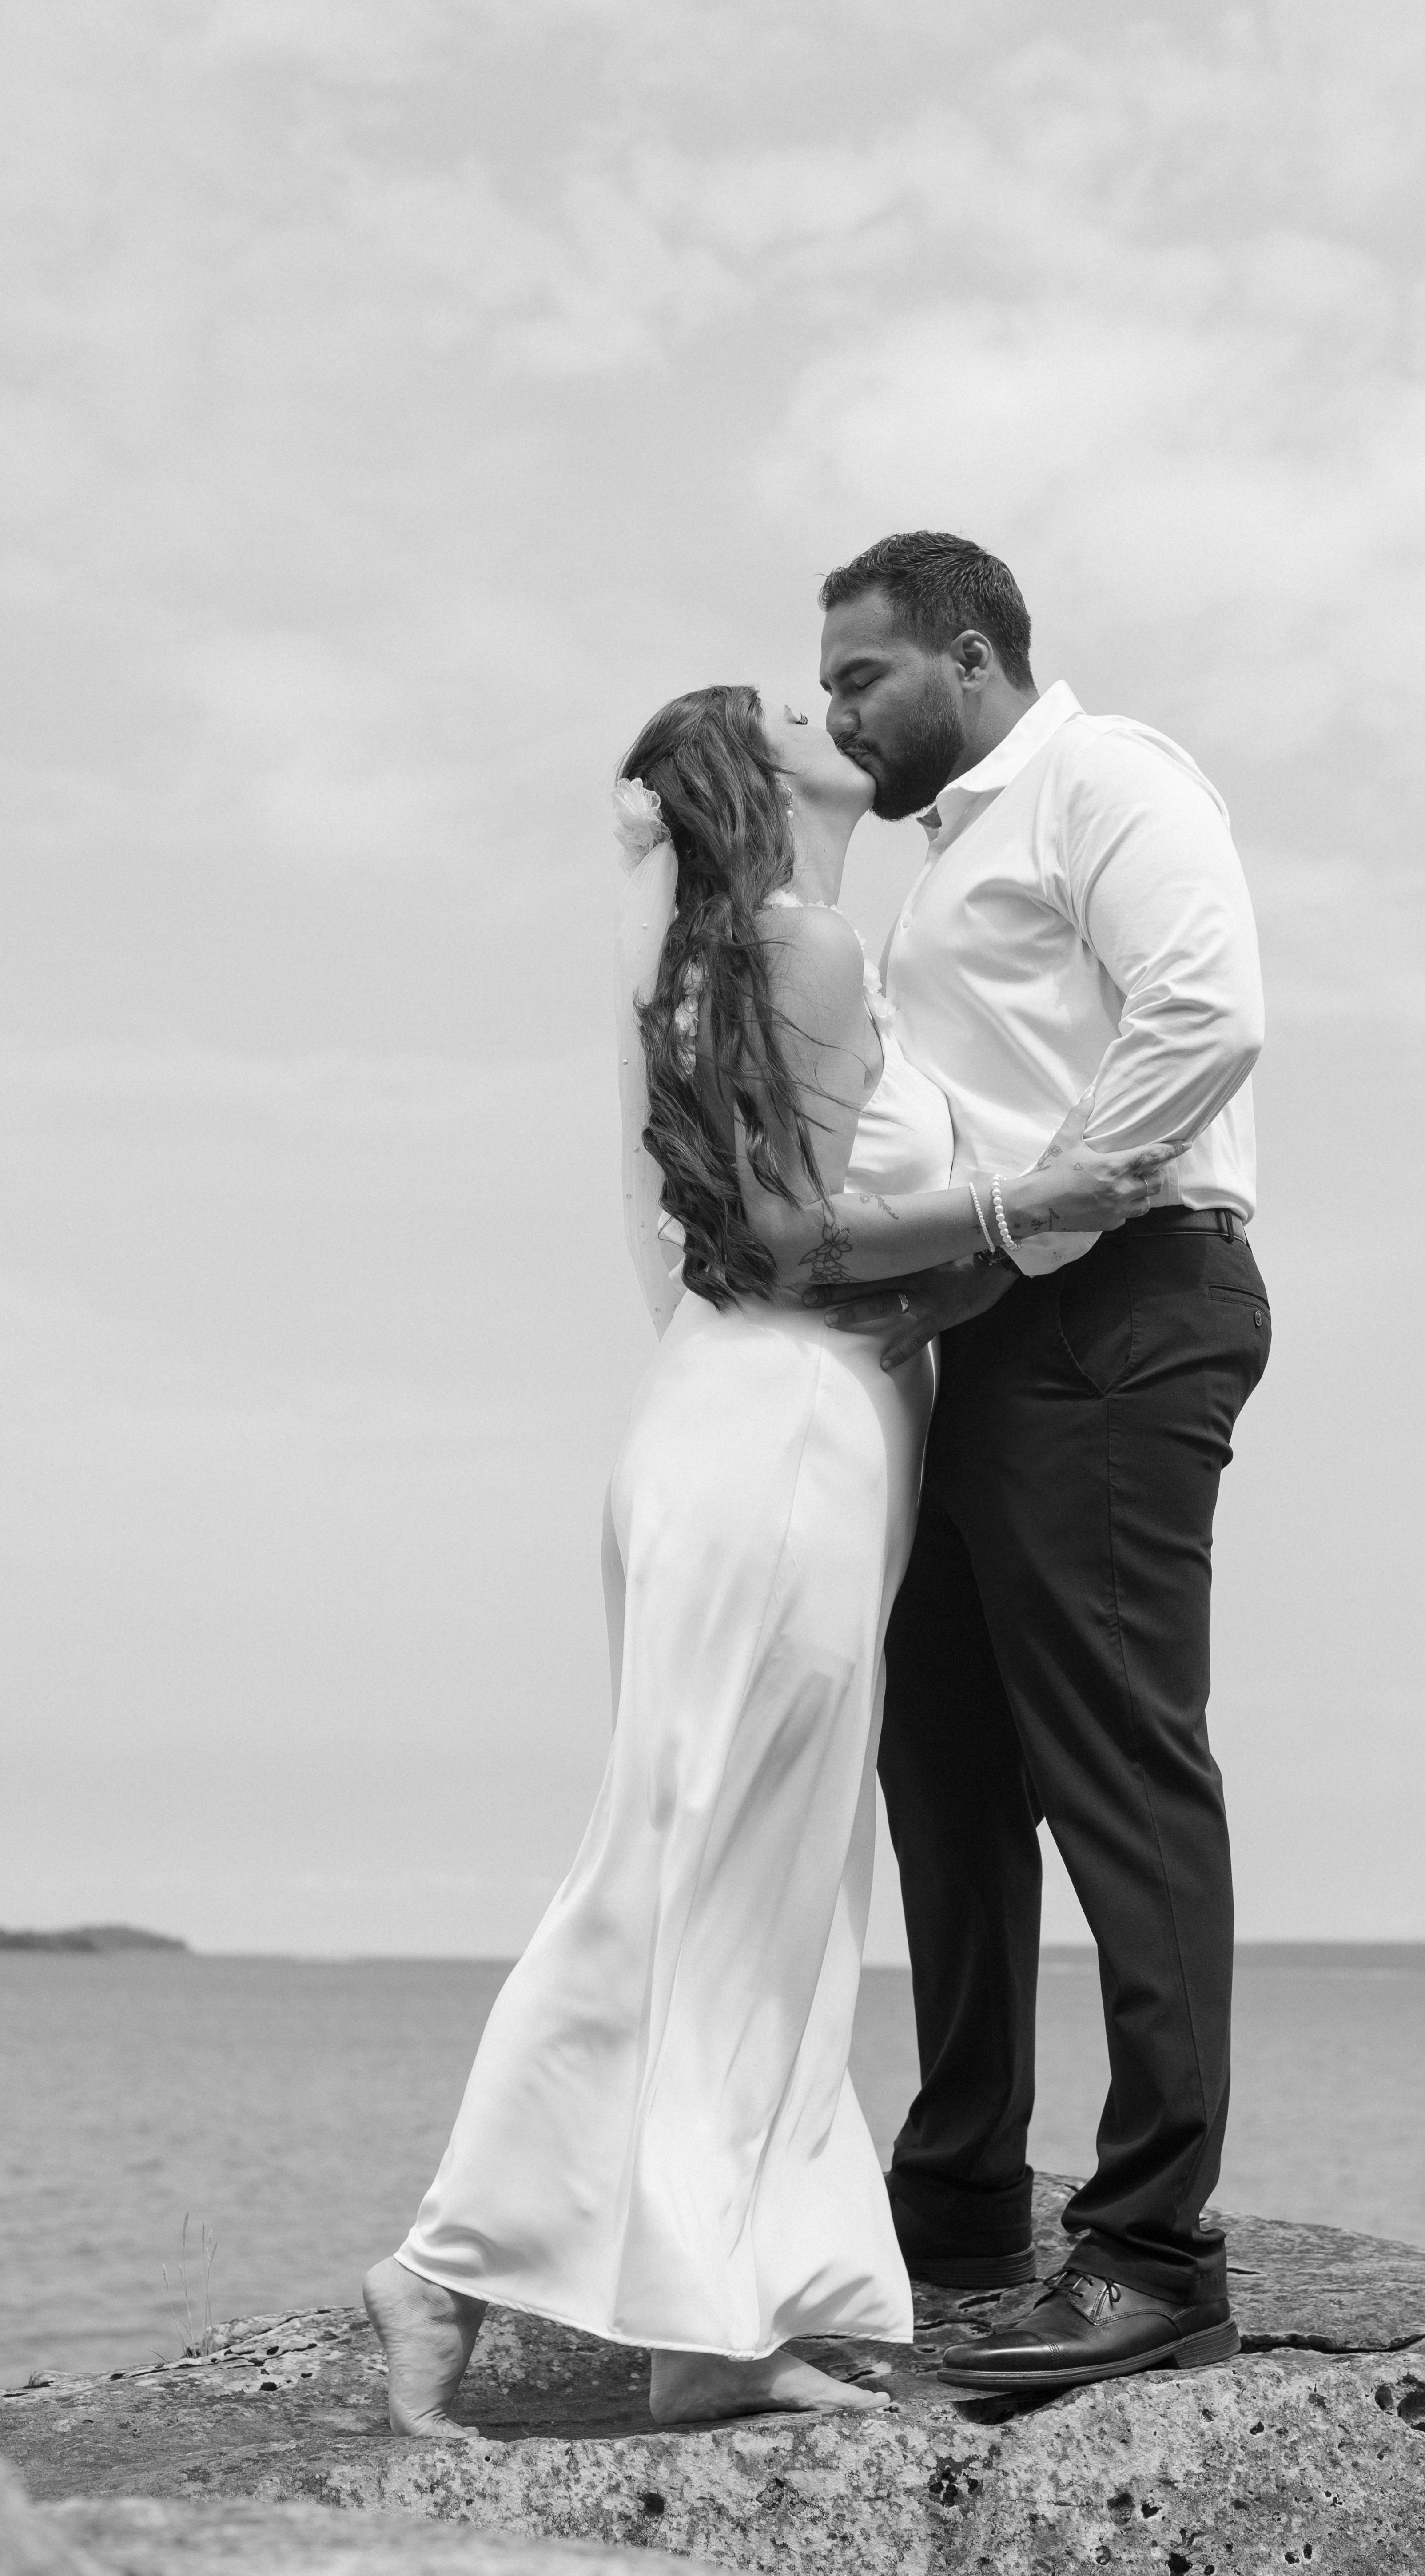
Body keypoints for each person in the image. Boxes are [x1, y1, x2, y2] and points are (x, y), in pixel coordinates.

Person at [363, 681, 1174, 2434]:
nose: (826, 705)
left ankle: (712, 2318)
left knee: (769, 1890)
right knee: (688, 1861)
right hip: (778, 1439)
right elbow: (789, 1242)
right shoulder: (798, 947)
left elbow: (796, 1231)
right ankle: (445, 2265)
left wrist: (993, 1248)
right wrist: (1025, 1210)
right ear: (750, 776)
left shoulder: (758, 955)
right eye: (789, 702)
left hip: (780, 1436)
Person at [816, 533, 1270, 2389]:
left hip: (1121, 1302)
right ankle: (959, 2201)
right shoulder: (942, 861)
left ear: (971, 655)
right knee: (941, 1752)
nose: (836, 715)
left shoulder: (1102, 776)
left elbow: (1206, 1012)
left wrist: (1034, 1227)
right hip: (1000, 1330)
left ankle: (1155, 2250)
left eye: (860, 678)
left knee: (1116, 1764)